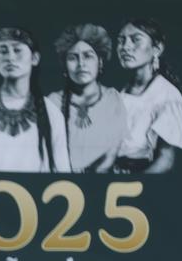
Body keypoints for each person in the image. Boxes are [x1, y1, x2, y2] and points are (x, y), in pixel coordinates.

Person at [0, 27, 71, 173]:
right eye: (3, 51)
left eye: (17, 50)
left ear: (34, 58)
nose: (10, 57)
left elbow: (62, 170)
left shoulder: (51, 112)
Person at [115, 18, 182, 173]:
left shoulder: (167, 95)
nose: (125, 47)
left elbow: (165, 161)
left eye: (135, 39)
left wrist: (134, 184)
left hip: (140, 177)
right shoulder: (121, 91)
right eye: (121, 41)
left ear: (157, 49)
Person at [48, 24, 127, 173]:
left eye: (88, 56)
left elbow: (112, 152)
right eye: (73, 58)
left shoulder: (113, 99)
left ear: (100, 62)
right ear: (65, 66)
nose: (81, 64)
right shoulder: (52, 102)